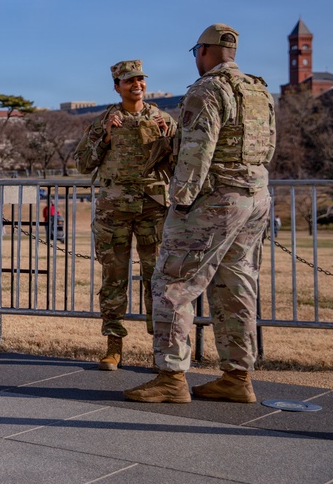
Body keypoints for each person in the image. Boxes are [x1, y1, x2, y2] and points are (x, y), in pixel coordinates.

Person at [125, 23, 275, 404]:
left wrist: (181, 200)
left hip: (214, 200)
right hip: (254, 196)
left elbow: (197, 150)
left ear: (204, 52)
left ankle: (171, 377)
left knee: (171, 284)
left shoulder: (208, 89)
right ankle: (237, 377)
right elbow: (267, 147)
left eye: (195, 52)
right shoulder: (258, 89)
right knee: (235, 285)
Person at [75, 60, 177, 371]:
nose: (137, 84)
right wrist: (105, 137)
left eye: (141, 79)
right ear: (117, 86)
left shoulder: (164, 120)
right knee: (114, 278)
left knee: (156, 279)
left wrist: (167, 139)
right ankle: (113, 346)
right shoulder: (106, 120)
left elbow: (181, 164)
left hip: (152, 209)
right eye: (129, 80)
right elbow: (82, 163)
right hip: (114, 211)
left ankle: (160, 349)